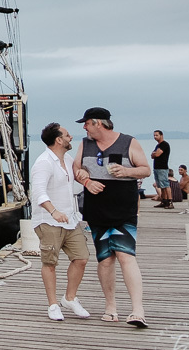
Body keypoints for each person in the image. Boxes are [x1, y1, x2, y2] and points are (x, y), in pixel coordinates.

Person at [72, 107, 151, 328]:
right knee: (105, 259)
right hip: (97, 212)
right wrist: (86, 180)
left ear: (98, 123)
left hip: (123, 211)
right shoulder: (85, 144)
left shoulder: (128, 142)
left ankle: (138, 310)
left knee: (126, 256)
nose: (84, 127)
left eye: (86, 123)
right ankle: (111, 307)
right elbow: (76, 168)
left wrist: (126, 172)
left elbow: (146, 170)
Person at [31, 123, 90, 321]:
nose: (70, 137)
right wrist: (54, 211)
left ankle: (70, 298)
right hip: (48, 220)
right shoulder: (43, 162)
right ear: (58, 140)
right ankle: (53, 304)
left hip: (70, 220)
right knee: (50, 263)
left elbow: (77, 173)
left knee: (81, 258)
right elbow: (39, 192)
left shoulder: (67, 159)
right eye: (67, 135)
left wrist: (84, 175)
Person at [151, 130, 172, 208]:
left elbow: (157, 154)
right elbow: (152, 155)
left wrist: (155, 154)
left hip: (162, 168)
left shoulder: (164, 144)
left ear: (161, 135)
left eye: (156, 135)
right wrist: (154, 154)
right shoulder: (158, 145)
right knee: (161, 186)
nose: (155, 137)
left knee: (165, 185)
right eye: (154, 135)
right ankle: (164, 201)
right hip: (156, 168)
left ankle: (170, 202)